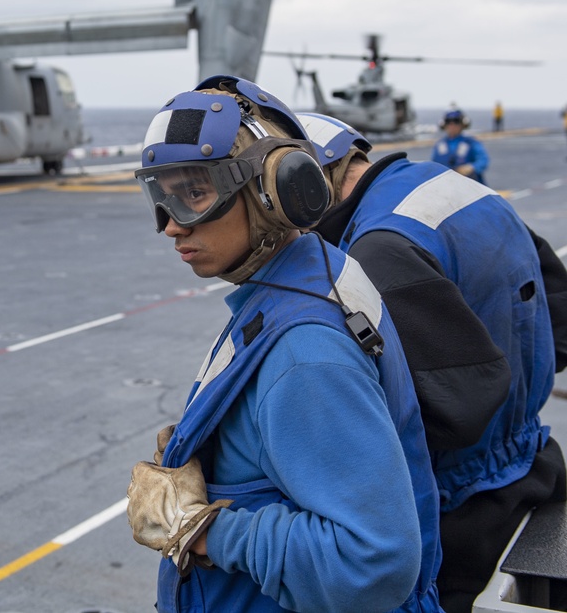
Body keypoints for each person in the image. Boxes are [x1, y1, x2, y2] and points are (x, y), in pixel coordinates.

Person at [125, 76, 442, 613]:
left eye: (195, 194)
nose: (172, 227)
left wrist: (205, 531)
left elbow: (373, 563)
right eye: (164, 195)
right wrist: (229, 443)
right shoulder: (315, 271)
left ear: (279, 189)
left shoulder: (305, 355)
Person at [299, 111, 567, 613]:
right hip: (535, 466)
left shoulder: (376, 249)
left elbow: (452, 410)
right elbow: (559, 306)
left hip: (462, 515)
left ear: (305, 181)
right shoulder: (448, 188)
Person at [431, 108, 489, 184]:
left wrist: (471, 167)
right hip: (447, 186)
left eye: (456, 121)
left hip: (470, 186)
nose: (452, 125)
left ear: (462, 124)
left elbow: (483, 160)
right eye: (448, 122)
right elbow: (433, 165)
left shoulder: (471, 143)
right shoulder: (439, 145)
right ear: (444, 124)